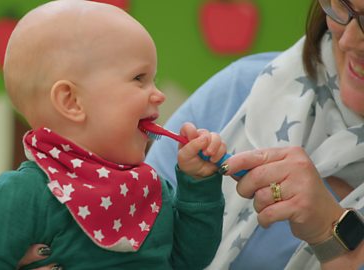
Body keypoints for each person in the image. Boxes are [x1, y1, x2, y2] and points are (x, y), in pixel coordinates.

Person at [0, 1, 228, 269]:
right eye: (139, 78)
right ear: (72, 102)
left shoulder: (152, 189)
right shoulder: (17, 196)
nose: (158, 94)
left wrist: (198, 182)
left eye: (153, 79)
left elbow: (190, 260)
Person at [145, 0, 364, 269]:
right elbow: (129, 242)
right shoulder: (244, 87)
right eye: (344, 6)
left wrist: (331, 234)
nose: (349, 40)